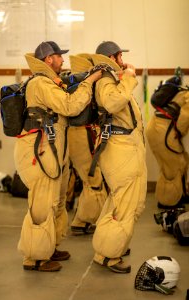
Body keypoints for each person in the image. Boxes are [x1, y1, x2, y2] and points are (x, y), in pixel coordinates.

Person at [14, 41, 102, 272]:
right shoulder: (42, 83)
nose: (63, 60)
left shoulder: (52, 82)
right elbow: (70, 106)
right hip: (42, 151)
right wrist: (89, 82)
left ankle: (48, 246)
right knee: (43, 204)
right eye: (59, 57)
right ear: (48, 59)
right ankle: (34, 258)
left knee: (57, 201)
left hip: (53, 149)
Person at [69, 41, 147, 273]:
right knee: (125, 205)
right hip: (120, 150)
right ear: (114, 57)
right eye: (121, 56)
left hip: (125, 148)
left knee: (122, 202)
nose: (124, 60)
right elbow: (113, 103)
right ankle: (108, 255)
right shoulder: (106, 81)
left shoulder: (112, 79)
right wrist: (130, 77)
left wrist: (124, 78)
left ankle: (109, 245)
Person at [66, 56, 107, 235]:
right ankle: (89, 220)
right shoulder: (85, 85)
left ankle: (82, 220)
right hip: (83, 135)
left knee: (89, 179)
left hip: (76, 135)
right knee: (93, 180)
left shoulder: (70, 83)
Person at [146, 77, 189, 208]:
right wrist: (180, 132)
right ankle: (168, 202)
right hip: (163, 131)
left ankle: (179, 195)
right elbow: (185, 117)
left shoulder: (184, 91)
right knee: (174, 167)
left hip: (156, 128)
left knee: (173, 164)